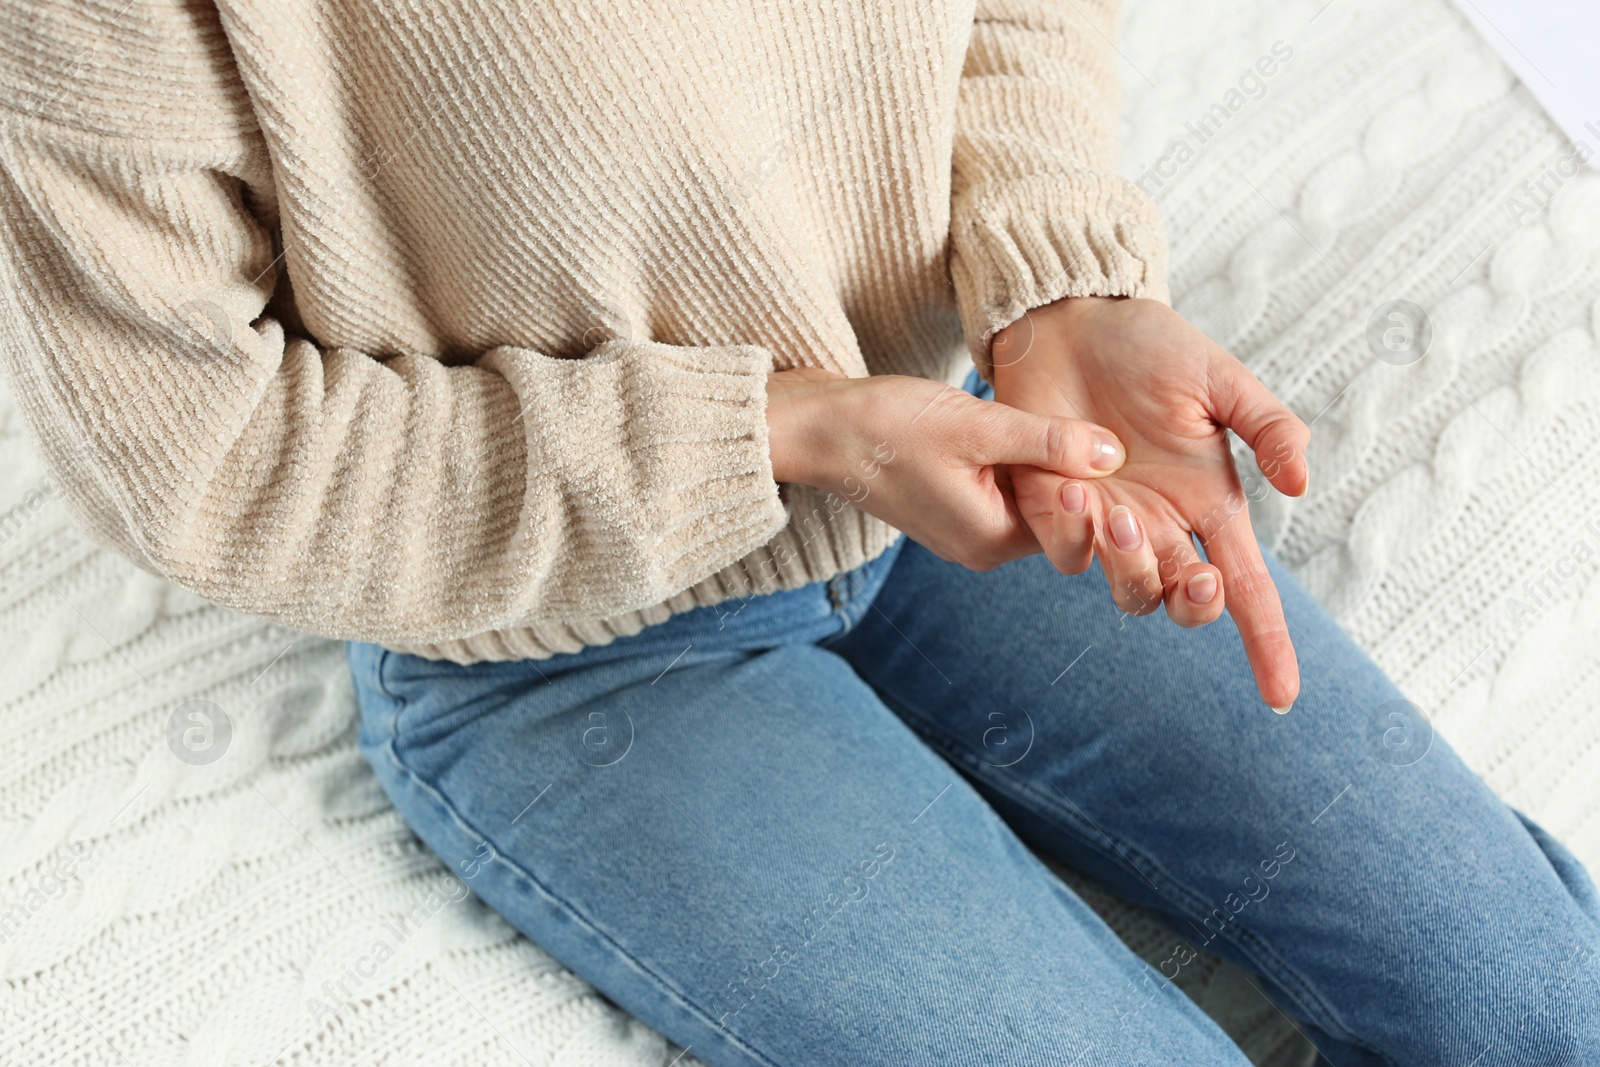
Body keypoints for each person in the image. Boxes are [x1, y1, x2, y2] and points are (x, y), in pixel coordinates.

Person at [0, 1, 1594, 1063]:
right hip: (567, 644)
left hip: (970, 431)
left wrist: (1055, 275)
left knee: (1535, 1002)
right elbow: (201, 454)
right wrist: (788, 428)